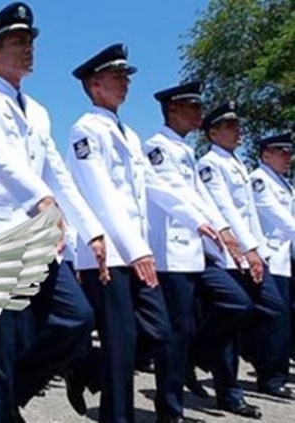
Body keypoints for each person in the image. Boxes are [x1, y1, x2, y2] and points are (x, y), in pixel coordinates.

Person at [0, 3, 112, 421]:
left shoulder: (37, 110)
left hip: (35, 245)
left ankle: (5, 396)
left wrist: (89, 229)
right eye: (18, 42)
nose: (28, 49)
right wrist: (39, 200)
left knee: (75, 318)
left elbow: (57, 173)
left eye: (31, 42)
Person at [66, 43, 220, 423]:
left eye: (126, 77)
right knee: (123, 342)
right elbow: (102, 194)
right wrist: (137, 249)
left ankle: (85, 366)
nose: (125, 84)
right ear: (94, 84)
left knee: (161, 334)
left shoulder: (130, 135)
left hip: (137, 251)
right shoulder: (85, 129)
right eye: (117, 77)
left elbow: (152, 188)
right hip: (113, 254)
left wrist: (198, 219)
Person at [143, 82, 254, 422]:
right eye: (192, 106)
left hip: (197, 252)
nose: (199, 113)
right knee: (175, 335)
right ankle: (170, 410)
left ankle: (197, 351)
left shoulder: (184, 151)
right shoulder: (157, 147)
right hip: (170, 255)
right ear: (173, 109)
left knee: (237, 302)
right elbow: (172, 192)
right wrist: (203, 222)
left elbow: (202, 196)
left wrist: (226, 233)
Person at [197, 102, 291, 413]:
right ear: (213, 132)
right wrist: (248, 250)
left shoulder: (236, 163)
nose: (239, 132)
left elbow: (249, 215)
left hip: (251, 253)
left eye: (239, 126)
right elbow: (224, 210)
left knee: (271, 309)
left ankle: (199, 348)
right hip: (228, 254)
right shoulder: (210, 163)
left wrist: (257, 251)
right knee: (234, 318)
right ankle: (230, 392)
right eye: (231, 126)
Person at [248, 133, 295, 398]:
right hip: (269, 259)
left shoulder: (284, 183)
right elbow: (278, 217)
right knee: (274, 320)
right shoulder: (259, 180)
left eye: (289, 153)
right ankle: (271, 378)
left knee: (283, 318)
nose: (288, 157)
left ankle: (277, 373)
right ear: (266, 154)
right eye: (282, 152)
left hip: (285, 259)